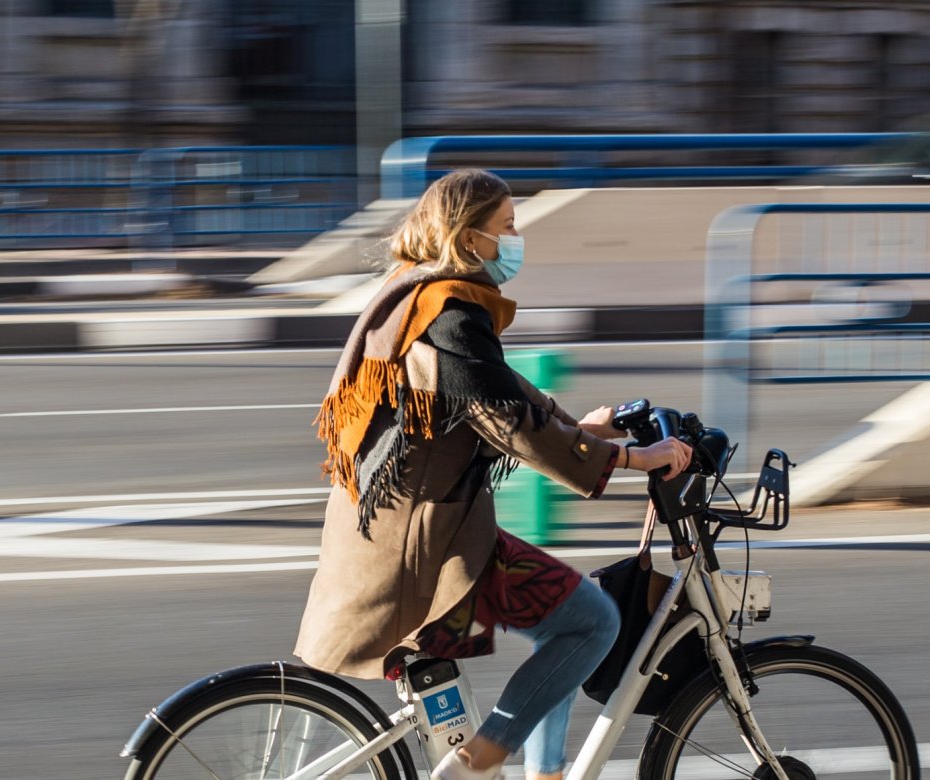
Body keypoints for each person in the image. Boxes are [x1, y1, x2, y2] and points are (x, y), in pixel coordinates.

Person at [295, 169, 692, 780]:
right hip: (425, 544)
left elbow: (501, 391)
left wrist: (584, 430)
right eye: (506, 225)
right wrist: (634, 459)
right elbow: (508, 423)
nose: (515, 237)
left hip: (412, 526)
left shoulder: (419, 292)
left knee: (569, 626)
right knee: (593, 622)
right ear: (469, 234)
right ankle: (480, 760)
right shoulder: (449, 310)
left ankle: (542, 772)